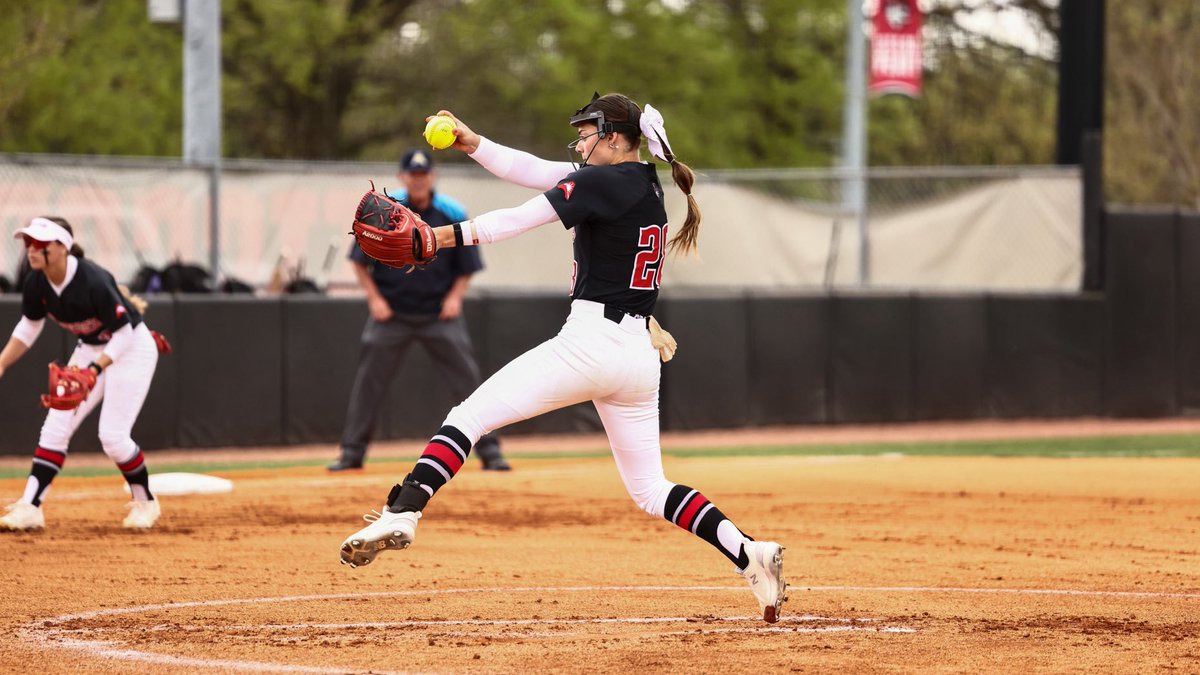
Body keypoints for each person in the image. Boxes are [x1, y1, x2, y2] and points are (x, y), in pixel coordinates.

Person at [338, 94, 788, 623]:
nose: (578, 141)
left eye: (586, 132)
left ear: (615, 137)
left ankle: (404, 511)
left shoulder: (601, 182)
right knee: (650, 489)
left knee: (469, 416)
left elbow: (522, 218)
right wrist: (472, 142)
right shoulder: (640, 182)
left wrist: (437, 237)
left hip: (592, 343)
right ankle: (748, 552)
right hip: (638, 356)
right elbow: (532, 170)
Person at [328, 148, 511, 472]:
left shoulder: (450, 210)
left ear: (432, 175)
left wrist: (455, 297)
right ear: (402, 177)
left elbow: (467, 265)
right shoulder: (386, 211)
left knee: (468, 383)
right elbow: (358, 262)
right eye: (412, 174)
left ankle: (491, 452)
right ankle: (351, 453)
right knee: (369, 383)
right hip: (392, 314)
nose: (418, 179)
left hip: (439, 315)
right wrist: (375, 299)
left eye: (423, 174)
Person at [0, 217, 163, 531]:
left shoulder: (92, 280)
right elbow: (30, 326)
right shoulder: (36, 282)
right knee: (55, 427)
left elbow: (124, 332)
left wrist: (93, 370)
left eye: (40, 243)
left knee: (113, 437)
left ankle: (146, 502)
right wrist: (3, 361)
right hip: (91, 348)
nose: (31, 250)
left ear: (63, 247)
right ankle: (30, 507)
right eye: (28, 243)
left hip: (130, 348)